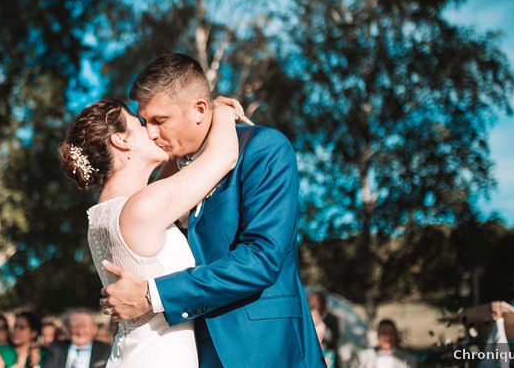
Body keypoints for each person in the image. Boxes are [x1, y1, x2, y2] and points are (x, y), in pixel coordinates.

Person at [100, 53, 325, 367]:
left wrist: (153, 295)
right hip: (196, 352)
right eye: (145, 121)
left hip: (267, 349)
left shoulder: (264, 149)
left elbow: (262, 259)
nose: (151, 132)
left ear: (199, 109)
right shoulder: (171, 177)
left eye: (159, 120)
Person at [58, 85, 244, 367]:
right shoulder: (142, 209)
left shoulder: (108, 213)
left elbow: (167, 180)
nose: (153, 131)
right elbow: (223, 156)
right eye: (140, 123)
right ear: (122, 140)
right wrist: (220, 111)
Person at [40, 310, 109, 368]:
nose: (80, 331)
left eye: (85, 326)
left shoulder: (106, 350)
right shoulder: (56, 348)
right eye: (76, 326)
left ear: (94, 329)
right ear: (69, 329)